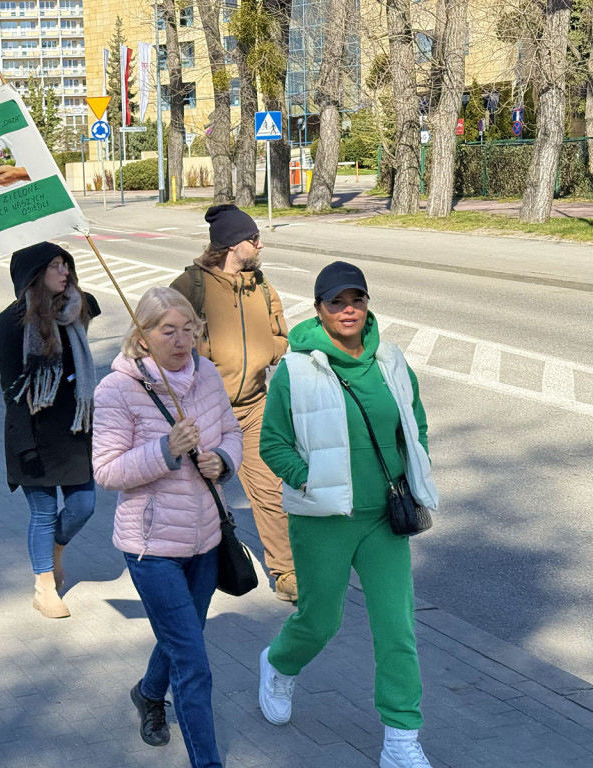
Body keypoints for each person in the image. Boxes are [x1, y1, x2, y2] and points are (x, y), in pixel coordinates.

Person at [257, 262, 439, 768]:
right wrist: (308, 478)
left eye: (355, 300)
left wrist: (415, 471)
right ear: (318, 309)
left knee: (397, 628)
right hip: (322, 519)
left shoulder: (392, 361)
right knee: (320, 621)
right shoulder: (296, 369)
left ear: (366, 305)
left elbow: (415, 426)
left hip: (384, 518)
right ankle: (277, 664)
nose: (347, 310)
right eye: (336, 302)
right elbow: (272, 444)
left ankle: (402, 738)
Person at [92, 287, 242, 768]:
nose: (180, 341)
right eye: (166, 330)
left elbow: (234, 434)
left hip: (206, 539)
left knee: (184, 636)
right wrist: (165, 450)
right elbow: (107, 471)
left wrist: (222, 460)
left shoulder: (207, 375)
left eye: (188, 329)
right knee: (193, 664)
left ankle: (148, 692)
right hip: (151, 547)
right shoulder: (117, 390)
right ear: (142, 337)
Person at [170, 204, 294, 601]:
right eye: (252, 239)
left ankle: (287, 573)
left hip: (255, 406)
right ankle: (195, 572)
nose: (259, 244)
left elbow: (281, 333)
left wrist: (266, 351)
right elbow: (160, 341)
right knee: (201, 498)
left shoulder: (260, 285)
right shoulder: (190, 288)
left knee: (271, 493)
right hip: (204, 411)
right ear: (230, 246)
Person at [0, 241, 100, 619]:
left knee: (84, 506)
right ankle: (44, 588)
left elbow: (92, 303)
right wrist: (24, 445)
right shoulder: (12, 323)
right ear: (36, 275)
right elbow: (12, 390)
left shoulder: (74, 309)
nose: (65, 271)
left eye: (66, 264)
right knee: (42, 512)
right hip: (33, 432)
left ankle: (55, 547)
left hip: (73, 429)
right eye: (56, 266)